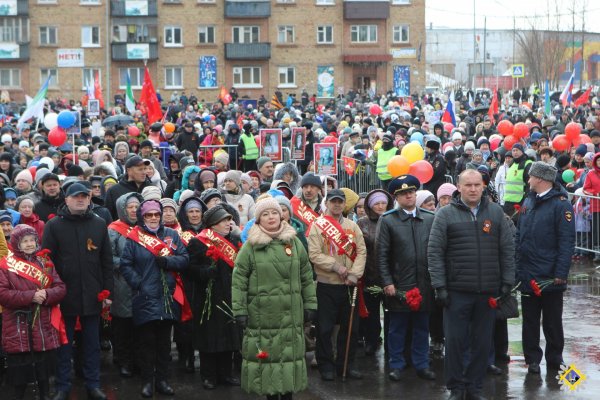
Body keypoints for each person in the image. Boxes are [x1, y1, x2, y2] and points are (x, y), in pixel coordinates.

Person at [428, 169, 515, 400]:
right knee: (455, 343)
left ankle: (475, 387)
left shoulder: (496, 213)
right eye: (468, 185)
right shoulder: (445, 215)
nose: (473, 189)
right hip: (456, 292)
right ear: (459, 186)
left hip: (487, 291)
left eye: (477, 184)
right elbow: (435, 252)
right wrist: (440, 286)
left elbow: (507, 249)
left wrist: (507, 281)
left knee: (482, 344)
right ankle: (456, 388)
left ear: (483, 186)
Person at [232, 198, 317, 400]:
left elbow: (306, 275)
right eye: (265, 214)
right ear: (258, 220)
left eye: (274, 213)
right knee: (269, 364)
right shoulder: (251, 246)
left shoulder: (294, 242)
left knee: (288, 359)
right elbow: (238, 280)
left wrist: (311, 303)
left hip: (291, 314)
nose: (271, 217)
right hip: (262, 316)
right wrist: (240, 310)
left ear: (282, 215)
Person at [42, 182, 114, 400]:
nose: (81, 199)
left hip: (93, 295)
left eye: (84, 196)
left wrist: (107, 293)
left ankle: (93, 385)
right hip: (65, 296)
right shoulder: (54, 226)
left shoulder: (99, 223)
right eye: (76, 196)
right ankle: (63, 386)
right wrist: (52, 292)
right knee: (64, 344)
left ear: (90, 198)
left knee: (92, 345)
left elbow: (107, 262)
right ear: (67, 200)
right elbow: (47, 263)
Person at [120, 199, 189, 398]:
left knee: (164, 344)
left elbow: (184, 259)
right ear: (143, 217)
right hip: (145, 296)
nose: (153, 218)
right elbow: (126, 264)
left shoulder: (172, 235)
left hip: (168, 295)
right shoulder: (134, 238)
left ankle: (162, 381)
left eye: (156, 215)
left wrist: (167, 261)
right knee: (146, 343)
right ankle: (147, 382)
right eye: (148, 215)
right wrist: (139, 284)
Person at [516, 162, 575, 374]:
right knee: (530, 321)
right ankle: (532, 359)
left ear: (540, 179)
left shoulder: (561, 205)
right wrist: (517, 266)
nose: (528, 180)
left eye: (531, 177)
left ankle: (555, 359)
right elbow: (519, 234)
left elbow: (566, 241)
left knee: (552, 322)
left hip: (550, 276)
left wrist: (560, 273)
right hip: (528, 273)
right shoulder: (529, 200)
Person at [377, 175, 436, 382]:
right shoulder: (388, 220)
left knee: (422, 327)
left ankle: (421, 364)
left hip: (424, 283)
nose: (409, 195)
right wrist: (387, 282)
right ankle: (396, 364)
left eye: (411, 191)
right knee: (397, 328)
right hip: (400, 284)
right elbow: (382, 255)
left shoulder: (429, 218)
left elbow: (436, 251)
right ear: (397, 197)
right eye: (403, 193)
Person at [0, 225, 65, 400]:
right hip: (18, 325)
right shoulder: (6, 265)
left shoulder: (45, 262)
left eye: (32, 240)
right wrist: (31, 296)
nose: (29, 244)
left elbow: (60, 287)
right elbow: (3, 295)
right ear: (16, 244)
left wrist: (46, 295)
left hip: (43, 325)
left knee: (43, 375)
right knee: (20, 378)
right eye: (25, 241)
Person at [308, 189, 367, 381]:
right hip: (327, 285)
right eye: (333, 201)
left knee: (350, 328)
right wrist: (335, 267)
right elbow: (314, 254)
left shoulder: (352, 226)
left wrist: (354, 274)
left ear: (344, 204)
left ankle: (347, 365)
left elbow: (361, 252)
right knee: (324, 328)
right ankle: (326, 364)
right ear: (327, 203)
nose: (336, 205)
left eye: (340, 202)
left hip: (350, 285)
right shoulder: (318, 225)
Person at [188, 205, 241, 390]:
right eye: (224, 221)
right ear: (213, 225)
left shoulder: (233, 241)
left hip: (228, 293)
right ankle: (208, 375)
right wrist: (205, 273)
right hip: (207, 297)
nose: (229, 224)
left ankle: (225, 374)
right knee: (209, 337)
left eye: (229, 220)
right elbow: (190, 269)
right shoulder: (198, 242)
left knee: (228, 334)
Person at [108, 193, 144, 378]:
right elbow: (108, 257)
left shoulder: (145, 228)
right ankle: (124, 361)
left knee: (141, 326)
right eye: (130, 206)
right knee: (123, 326)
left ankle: (139, 360)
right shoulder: (113, 230)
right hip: (121, 283)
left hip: (142, 283)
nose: (133, 209)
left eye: (137, 206)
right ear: (123, 208)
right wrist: (129, 263)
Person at [357, 189, 393, 356]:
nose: (380, 206)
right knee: (371, 313)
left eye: (383, 203)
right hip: (369, 274)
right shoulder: (362, 223)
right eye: (376, 203)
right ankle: (371, 341)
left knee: (391, 313)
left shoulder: (394, 219)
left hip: (390, 276)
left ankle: (390, 345)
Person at [503, 144, 532, 214]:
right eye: (513, 150)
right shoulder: (512, 164)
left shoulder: (527, 164)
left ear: (522, 151)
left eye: (517, 150)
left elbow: (529, 186)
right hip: (508, 201)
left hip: (519, 202)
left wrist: (524, 202)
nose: (515, 152)